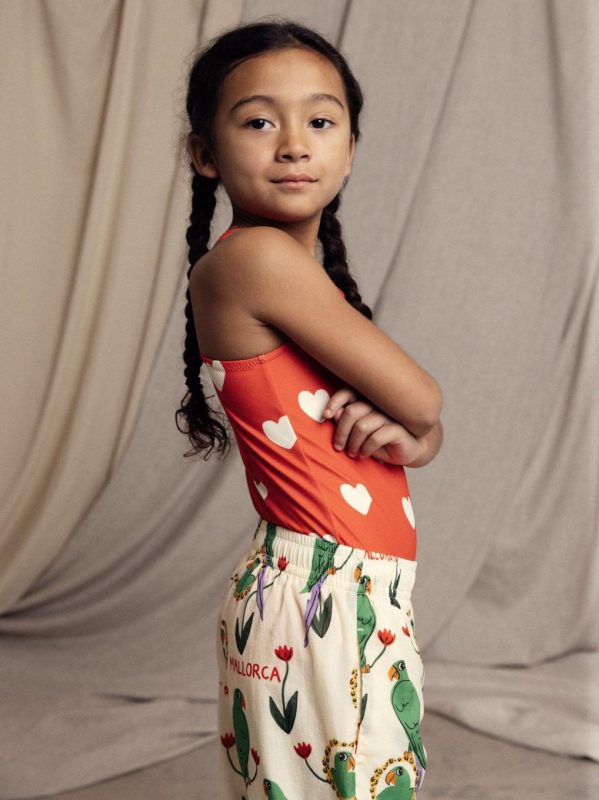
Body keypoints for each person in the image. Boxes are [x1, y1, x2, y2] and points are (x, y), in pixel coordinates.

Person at [175, 17, 444, 799]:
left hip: (338, 594)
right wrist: (421, 424)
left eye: (320, 122)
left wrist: (418, 442)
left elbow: (416, 422)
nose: (294, 144)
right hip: (320, 599)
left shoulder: (290, 273)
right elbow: (422, 398)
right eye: (259, 122)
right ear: (204, 153)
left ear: (351, 147)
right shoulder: (258, 258)